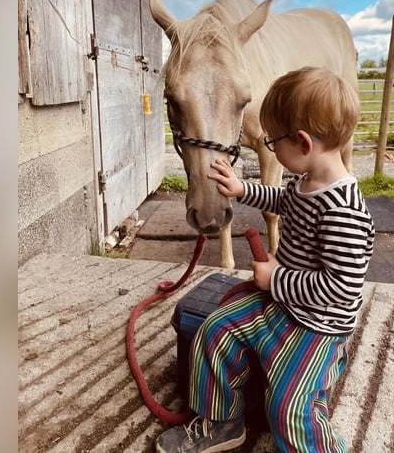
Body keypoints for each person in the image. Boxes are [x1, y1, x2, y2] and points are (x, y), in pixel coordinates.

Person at [155, 66, 375, 453]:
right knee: (214, 331)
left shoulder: (344, 212)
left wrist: (275, 278)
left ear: (303, 143)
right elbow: (283, 201)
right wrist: (243, 189)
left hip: (317, 326)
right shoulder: (306, 181)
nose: (269, 148)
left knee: (288, 410)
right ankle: (223, 424)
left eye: (273, 143)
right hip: (281, 304)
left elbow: (339, 289)